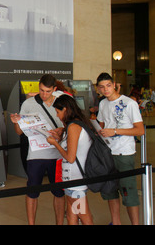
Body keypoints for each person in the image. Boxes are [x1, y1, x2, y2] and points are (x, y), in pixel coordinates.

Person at [10, 74, 65, 225]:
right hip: (36, 154)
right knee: (32, 192)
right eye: (41, 90)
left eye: (48, 91)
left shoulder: (62, 101)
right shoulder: (28, 104)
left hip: (58, 154)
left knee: (59, 192)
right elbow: (19, 132)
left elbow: (71, 123)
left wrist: (61, 130)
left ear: (54, 89)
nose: (44, 94)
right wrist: (16, 122)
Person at [96, 72, 144, 225]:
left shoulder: (129, 103)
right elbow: (102, 124)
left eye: (108, 85)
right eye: (102, 87)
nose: (106, 90)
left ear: (114, 84)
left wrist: (115, 131)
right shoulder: (103, 104)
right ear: (98, 89)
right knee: (110, 191)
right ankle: (116, 222)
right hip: (108, 153)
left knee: (128, 192)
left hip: (124, 153)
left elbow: (140, 130)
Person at [46, 94, 94, 225]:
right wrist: (60, 137)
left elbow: (70, 157)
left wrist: (55, 144)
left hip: (76, 179)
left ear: (65, 109)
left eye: (58, 112)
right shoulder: (74, 125)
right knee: (72, 212)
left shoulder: (73, 127)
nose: (57, 115)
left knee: (83, 214)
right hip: (71, 179)